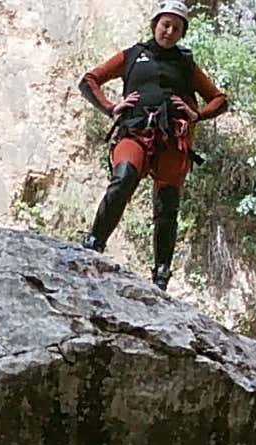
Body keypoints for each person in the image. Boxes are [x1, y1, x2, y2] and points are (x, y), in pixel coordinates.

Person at [75, 0, 227, 289]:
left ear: (182, 33)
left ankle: (160, 275)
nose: (169, 31)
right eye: (165, 24)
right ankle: (93, 243)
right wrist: (110, 108)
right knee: (123, 179)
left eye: (176, 27)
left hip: (172, 139)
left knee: (167, 205)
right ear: (155, 24)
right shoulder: (133, 55)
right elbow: (89, 80)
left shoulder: (186, 64)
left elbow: (219, 99)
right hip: (135, 131)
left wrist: (197, 115)